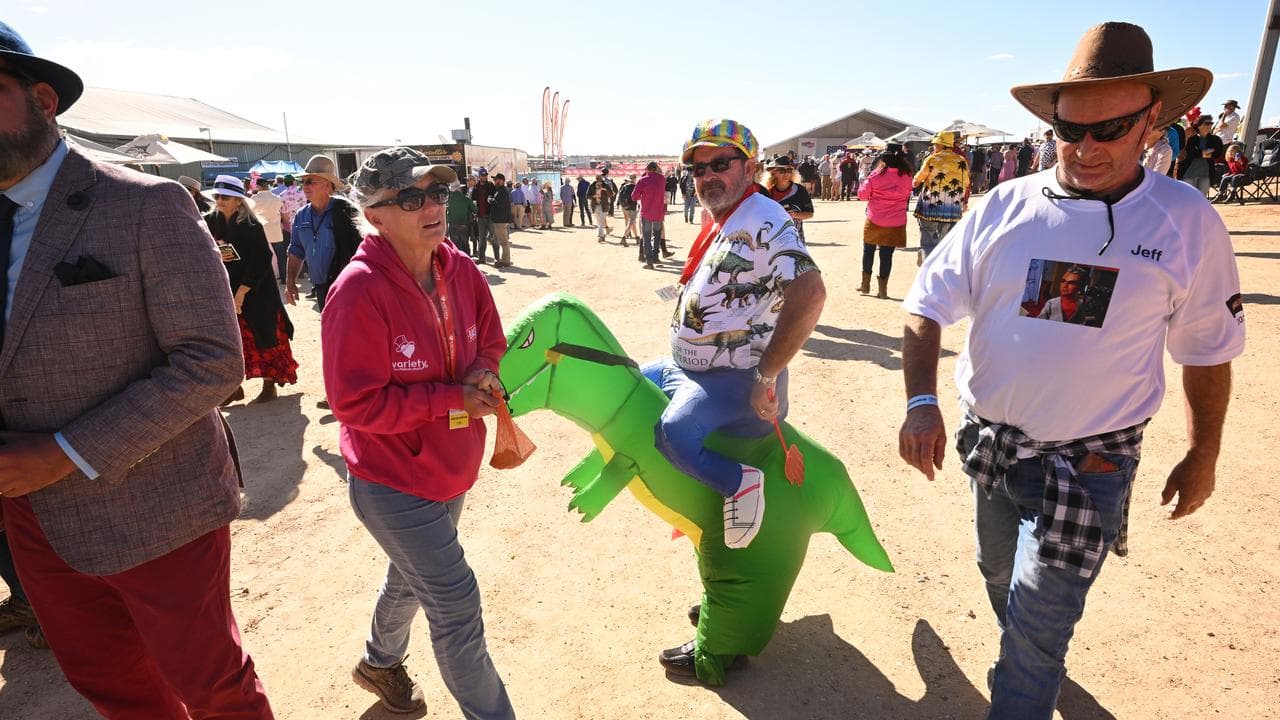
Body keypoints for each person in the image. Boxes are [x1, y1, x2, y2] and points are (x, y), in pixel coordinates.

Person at [899, 23, 1241, 720]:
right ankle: (1031, 649)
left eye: (1109, 129)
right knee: (999, 576)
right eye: (1068, 129)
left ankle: (1027, 674)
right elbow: (926, 303)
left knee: (1033, 632)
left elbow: (1208, 348)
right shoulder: (1003, 206)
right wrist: (920, 404)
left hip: (1092, 466)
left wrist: (1203, 453)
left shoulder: (1185, 219)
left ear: (1152, 121)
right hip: (991, 445)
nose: (1085, 148)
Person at [0, 23, 274, 716]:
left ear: (42, 98)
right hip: (31, 522)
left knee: (213, 689)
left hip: (158, 506)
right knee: (115, 690)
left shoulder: (145, 205)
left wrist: (64, 453)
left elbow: (213, 361)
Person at [322, 147, 515, 719]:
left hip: (453, 466)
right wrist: (452, 398)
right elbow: (355, 405)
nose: (432, 206)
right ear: (375, 214)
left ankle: (380, 662)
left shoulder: (461, 268)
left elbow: (492, 341)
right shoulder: (357, 291)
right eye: (411, 198)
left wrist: (484, 369)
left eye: (437, 193)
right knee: (455, 603)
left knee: (409, 578)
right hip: (392, 480)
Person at [654, 118, 826, 677]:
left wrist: (769, 373)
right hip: (695, 372)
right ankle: (720, 608)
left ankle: (724, 642)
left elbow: (810, 291)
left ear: (749, 167)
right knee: (627, 385)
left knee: (675, 438)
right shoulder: (725, 220)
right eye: (698, 168)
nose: (707, 176)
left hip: (731, 385)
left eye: (720, 163)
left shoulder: (765, 219)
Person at [206, 175, 298, 405]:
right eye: (217, 196)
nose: (220, 201)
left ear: (238, 201)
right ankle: (234, 388)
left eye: (225, 197)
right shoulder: (210, 222)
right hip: (227, 288)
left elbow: (262, 259)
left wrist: (242, 292)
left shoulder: (251, 225)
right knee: (233, 341)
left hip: (257, 291)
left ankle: (269, 384)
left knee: (263, 336)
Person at [285, 154, 362, 310]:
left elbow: (361, 249)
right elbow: (296, 250)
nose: (304, 186)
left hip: (348, 286)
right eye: (303, 182)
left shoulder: (346, 210)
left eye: (310, 182)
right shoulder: (301, 215)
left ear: (327, 185)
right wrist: (290, 281)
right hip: (321, 287)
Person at [857, 143, 913, 299]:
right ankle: (883, 290)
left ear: (884, 159)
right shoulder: (908, 176)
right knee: (887, 255)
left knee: (868, 251)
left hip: (875, 218)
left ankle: (865, 285)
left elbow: (862, 195)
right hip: (896, 221)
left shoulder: (876, 175)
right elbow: (908, 193)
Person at [912, 130, 970, 261]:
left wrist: (915, 183)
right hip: (952, 208)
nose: (934, 146)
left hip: (931, 206)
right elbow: (966, 183)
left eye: (936, 144)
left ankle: (927, 266)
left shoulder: (932, 159)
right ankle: (942, 268)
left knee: (928, 241)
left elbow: (917, 179)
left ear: (942, 145)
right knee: (947, 242)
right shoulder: (961, 160)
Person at [762, 156, 815, 241]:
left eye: (789, 170)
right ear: (774, 173)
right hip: (774, 240)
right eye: (782, 171)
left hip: (796, 240)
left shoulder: (800, 190)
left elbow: (810, 213)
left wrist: (794, 215)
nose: (786, 174)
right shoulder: (768, 193)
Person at [250, 176, 288, 282]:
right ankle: (284, 277)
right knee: (281, 256)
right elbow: (282, 211)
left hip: (262, 231)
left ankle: (266, 278)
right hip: (276, 230)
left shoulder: (254, 199)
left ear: (258, 186)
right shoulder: (277, 198)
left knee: (262, 256)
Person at [632, 161, 668, 267]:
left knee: (646, 237)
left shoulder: (643, 180)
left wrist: (642, 196)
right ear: (656, 168)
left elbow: (634, 196)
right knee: (657, 234)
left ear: (647, 169)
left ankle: (649, 262)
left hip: (646, 212)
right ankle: (656, 257)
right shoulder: (662, 179)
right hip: (659, 212)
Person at [1178, 115, 1223, 196]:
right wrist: (1208, 152)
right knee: (1188, 198)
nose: (1210, 125)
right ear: (1199, 125)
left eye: (1211, 123)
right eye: (1207, 123)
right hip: (1189, 173)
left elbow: (1217, 154)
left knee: (1201, 199)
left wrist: (1201, 153)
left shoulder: (1216, 140)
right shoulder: (1192, 139)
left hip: (1206, 174)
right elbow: (1191, 154)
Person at [488, 172, 513, 267]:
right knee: (501, 240)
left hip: (501, 220)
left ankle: (505, 261)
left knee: (504, 242)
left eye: (496, 179)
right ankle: (505, 260)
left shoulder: (503, 191)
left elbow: (501, 205)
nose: (495, 181)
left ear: (502, 181)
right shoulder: (499, 190)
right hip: (499, 219)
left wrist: (491, 200)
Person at [472, 168, 496, 263]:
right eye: (482, 175)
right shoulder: (476, 186)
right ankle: (482, 259)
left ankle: (497, 259)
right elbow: (473, 199)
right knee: (481, 239)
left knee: (494, 238)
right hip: (480, 217)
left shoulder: (490, 185)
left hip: (490, 216)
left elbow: (495, 198)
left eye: (486, 175)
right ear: (479, 176)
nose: (484, 177)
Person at [446, 180, 476, 255]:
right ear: (459, 189)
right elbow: (475, 210)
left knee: (455, 246)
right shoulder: (466, 199)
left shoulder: (448, 199)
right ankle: (466, 261)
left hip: (452, 226)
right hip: (463, 225)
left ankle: (457, 263)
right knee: (465, 245)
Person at [590, 172, 613, 242]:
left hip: (604, 205)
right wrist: (593, 196)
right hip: (595, 205)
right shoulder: (593, 185)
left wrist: (605, 190)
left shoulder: (605, 185)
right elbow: (587, 195)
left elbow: (611, 194)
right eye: (597, 178)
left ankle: (600, 236)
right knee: (599, 221)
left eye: (599, 178)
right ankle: (602, 236)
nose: (598, 180)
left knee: (601, 221)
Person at [617, 174, 639, 245]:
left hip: (625, 206)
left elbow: (620, 196)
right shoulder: (635, 187)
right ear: (634, 179)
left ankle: (637, 238)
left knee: (633, 222)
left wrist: (623, 205)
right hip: (633, 206)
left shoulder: (625, 186)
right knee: (631, 222)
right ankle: (624, 238)